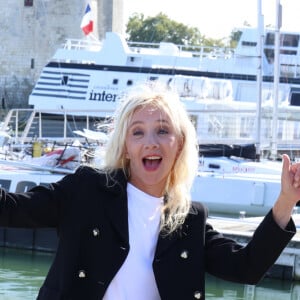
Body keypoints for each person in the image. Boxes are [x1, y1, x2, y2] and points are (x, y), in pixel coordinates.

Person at [0, 81, 299, 300]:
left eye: (163, 131)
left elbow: (245, 268)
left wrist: (287, 200)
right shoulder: (86, 190)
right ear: (127, 147)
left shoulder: (189, 219)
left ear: (179, 144)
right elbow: (12, 208)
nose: (150, 142)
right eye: (138, 132)